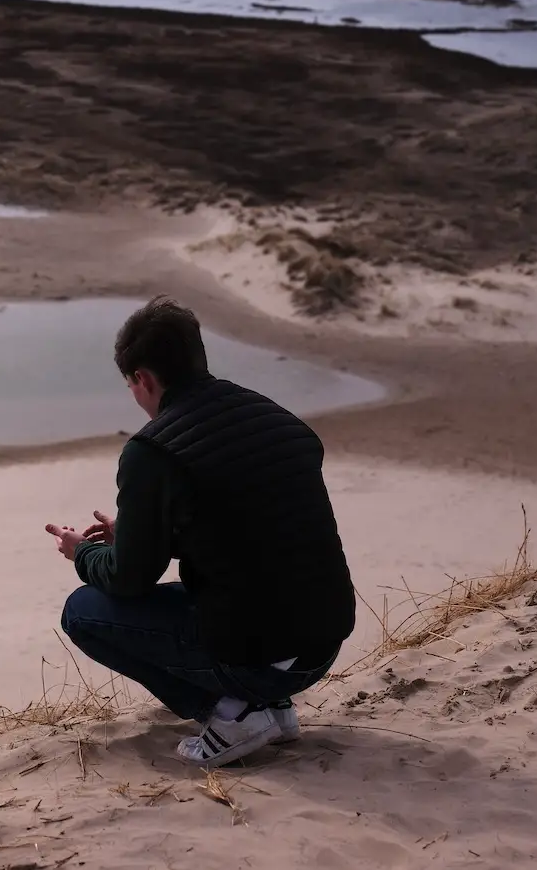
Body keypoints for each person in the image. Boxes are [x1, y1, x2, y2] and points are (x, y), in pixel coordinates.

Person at [45, 295, 356, 765]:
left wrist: (82, 555)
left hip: (260, 656)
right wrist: (134, 534)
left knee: (83, 611)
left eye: (131, 384)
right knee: (246, 598)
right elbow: (240, 527)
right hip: (323, 646)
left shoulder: (151, 452)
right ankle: (271, 708)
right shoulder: (278, 419)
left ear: (142, 379)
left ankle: (232, 713)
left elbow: (130, 579)